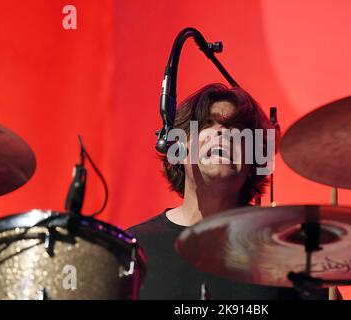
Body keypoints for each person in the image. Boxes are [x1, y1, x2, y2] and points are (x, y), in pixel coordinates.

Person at [128, 83, 332, 300]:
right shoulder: (135, 248)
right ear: (178, 149)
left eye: (237, 129)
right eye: (207, 123)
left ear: (254, 162)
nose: (222, 132)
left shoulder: (286, 248)